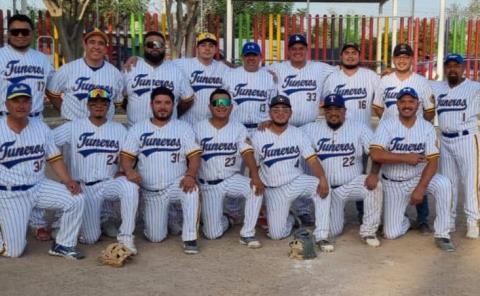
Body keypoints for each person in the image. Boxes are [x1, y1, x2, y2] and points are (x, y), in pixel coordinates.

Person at [0, 83, 85, 259]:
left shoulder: (40, 127)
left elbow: (54, 158)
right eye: (16, 101)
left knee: (75, 198)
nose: (21, 105)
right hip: (10, 194)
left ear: (31, 104)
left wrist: (68, 180)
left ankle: (63, 245)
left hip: (38, 186)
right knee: (14, 251)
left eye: (25, 100)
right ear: (6, 104)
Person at [52, 87, 139, 253]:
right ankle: (72, 223)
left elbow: (130, 153)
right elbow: (48, 143)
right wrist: (64, 175)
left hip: (108, 183)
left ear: (109, 106)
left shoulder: (119, 129)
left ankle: (126, 237)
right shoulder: (73, 127)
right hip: (84, 186)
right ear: (88, 105)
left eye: (103, 103)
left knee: (130, 186)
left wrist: (125, 169)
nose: (99, 106)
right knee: (90, 238)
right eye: (94, 103)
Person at [370, 87, 455, 252]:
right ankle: (405, 220)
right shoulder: (386, 125)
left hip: (418, 177)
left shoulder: (427, 127)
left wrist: (421, 188)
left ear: (418, 104)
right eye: (403, 101)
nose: (407, 105)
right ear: (397, 104)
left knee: (444, 183)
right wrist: (405, 157)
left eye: (411, 101)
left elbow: (433, 160)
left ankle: (443, 234)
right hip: (394, 182)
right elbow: (375, 154)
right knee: (391, 233)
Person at [120, 87, 202, 254]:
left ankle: (190, 238)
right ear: (151, 104)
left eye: (167, 103)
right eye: (158, 102)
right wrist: (128, 170)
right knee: (156, 237)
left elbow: (194, 156)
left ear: (173, 105)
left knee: (191, 191)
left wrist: (190, 175)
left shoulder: (183, 127)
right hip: (151, 190)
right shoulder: (138, 128)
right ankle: (169, 217)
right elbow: (127, 156)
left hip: (176, 185)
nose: (162, 107)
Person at [250, 95, 333, 252]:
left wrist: (322, 178)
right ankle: (291, 218)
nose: (280, 113)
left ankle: (322, 235)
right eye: (276, 110)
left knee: (322, 187)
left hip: (296, 181)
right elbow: (253, 166)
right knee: (276, 234)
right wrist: (259, 198)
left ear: (290, 113)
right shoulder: (258, 135)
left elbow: (312, 160)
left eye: (284, 110)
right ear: (269, 113)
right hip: (274, 189)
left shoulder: (298, 133)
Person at [0, 14, 55, 240]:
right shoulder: (1, 56)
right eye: (15, 31)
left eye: (25, 31)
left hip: (35, 119)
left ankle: (38, 221)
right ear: (8, 33)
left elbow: (54, 87)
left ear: (32, 34)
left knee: (35, 169)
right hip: (4, 119)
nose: (20, 35)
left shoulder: (42, 59)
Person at [302, 93, 382, 249]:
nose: (333, 113)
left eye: (337, 109)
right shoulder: (310, 129)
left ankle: (369, 231)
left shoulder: (359, 128)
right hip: (327, 190)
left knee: (375, 185)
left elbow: (376, 151)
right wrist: (269, 123)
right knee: (333, 231)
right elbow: (286, 131)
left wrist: (373, 174)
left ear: (344, 111)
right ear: (324, 112)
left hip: (351, 184)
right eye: (329, 109)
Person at [372, 43, 434, 234]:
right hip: (389, 131)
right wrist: (389, 120)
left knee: (419, 169)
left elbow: (430, 111)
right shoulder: (385, 80)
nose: (401, 60)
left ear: (411, 60)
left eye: (406, 57)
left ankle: (422, 219)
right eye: (398, 56)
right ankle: (392, 215)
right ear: (393, 59)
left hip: (414, 130)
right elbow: (377, 106)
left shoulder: (421, 81)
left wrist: (418, 127)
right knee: (388, 170)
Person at [194, 88, 264, 248]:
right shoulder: (198, 127)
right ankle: (228, 219)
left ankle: (247, 233)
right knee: (212, 234)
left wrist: (255, 175)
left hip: (231, 179)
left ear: (231, 107)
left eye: (225, 102)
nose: (221, 106)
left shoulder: (239, 128)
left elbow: (247, 153)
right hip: (208, 184)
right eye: (216, 103)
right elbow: (191, 156)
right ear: (210, 106)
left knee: (255, 188)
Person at [322, 42, 381, 221]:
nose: (350, 55)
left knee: (361, 173)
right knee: (335, 171)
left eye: (354, 52)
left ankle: (363, 211)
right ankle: (329, 207)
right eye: (346, 52)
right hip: (337, 132)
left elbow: (380, 100)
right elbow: (325, 104)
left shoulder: (370, 76)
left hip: (362, 133)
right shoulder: (332, 78)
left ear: (359, 55)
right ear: (341, 56)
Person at [435, 54, 480, 238]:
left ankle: (473, 222)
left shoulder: (475, 87)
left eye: (456, 65)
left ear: (463, 68)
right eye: (449, 65)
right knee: (449, 183)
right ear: (445, 68)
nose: (452, 69)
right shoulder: (437, 87)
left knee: (471, 183)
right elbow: (416, 82)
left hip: (467, 138)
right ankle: (449, 220)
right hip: (445, 139)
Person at [46, 28, 124, 120]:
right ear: (84, 45)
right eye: (92, 42)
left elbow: (116, 102)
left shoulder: (115, 73)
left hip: (103, 127)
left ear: (105, 48)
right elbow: (52, 93)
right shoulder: (67, 69)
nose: (96, 46)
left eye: (101, 43)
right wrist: (65, 110)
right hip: (73, 125)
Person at [123, 31, 194, 127]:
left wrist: (173, 113)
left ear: (164, 47)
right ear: (144, 47)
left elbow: (188, 99)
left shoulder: (176, 70)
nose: (154, 48)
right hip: (136, 131)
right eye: (150, 44)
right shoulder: (130, 68)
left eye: (158, 44)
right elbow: (119, 98)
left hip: (168, 132)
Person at [267, 34, 335, 127]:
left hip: (311, 126)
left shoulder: (319, 68)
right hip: (285, 126)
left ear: (306, 50)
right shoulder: (277, 68)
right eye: (294, 49)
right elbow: (257, 73)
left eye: (301, 48)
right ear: (289, 51)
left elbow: (341, 70)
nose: (297, 51)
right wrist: (267, 75)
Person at [173, 32, 231, 124]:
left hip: (212, 124)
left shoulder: (224, 69)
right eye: (203, 45)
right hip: (187, 123)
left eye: (211, 46)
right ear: (197, 48)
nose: (207, 48)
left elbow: (228, 95)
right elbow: (163, 65)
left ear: (216, 49)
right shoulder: (182, 64)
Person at [222, 42, 276, 136]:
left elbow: (274, 104)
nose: (251, 58)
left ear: (260, 57)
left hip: (262, 129)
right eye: (247, 55)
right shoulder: (230, 76)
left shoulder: (269, 77)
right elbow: (222, 100)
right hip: (235, 128)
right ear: (242, 57)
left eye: (254, 55)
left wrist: (271, 120)